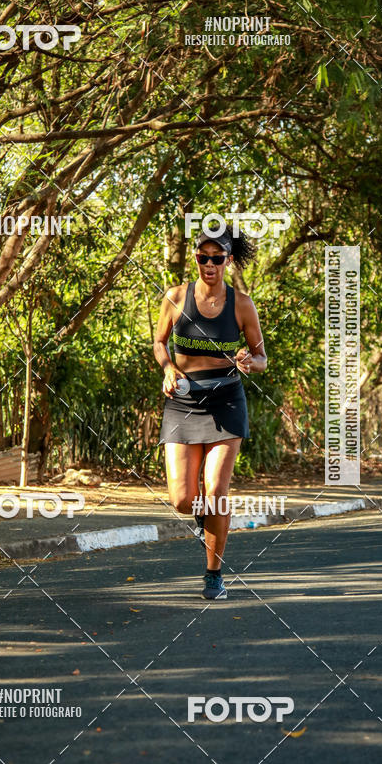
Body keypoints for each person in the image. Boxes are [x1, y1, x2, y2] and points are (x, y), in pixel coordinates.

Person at [153, 225, 267, 599]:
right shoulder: (175, 297)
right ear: (196, 258)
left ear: (228, 260)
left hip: (227, 401)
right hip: (183, 402)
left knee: (217, 490)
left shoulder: (242, 304)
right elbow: (158, 342)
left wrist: (250, 361)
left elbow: (262, 356)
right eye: (203, 257)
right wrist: (168, 368)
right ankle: (210, 518)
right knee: (183, 501)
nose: (210, 264)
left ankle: (213, 572)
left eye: (217, 258)